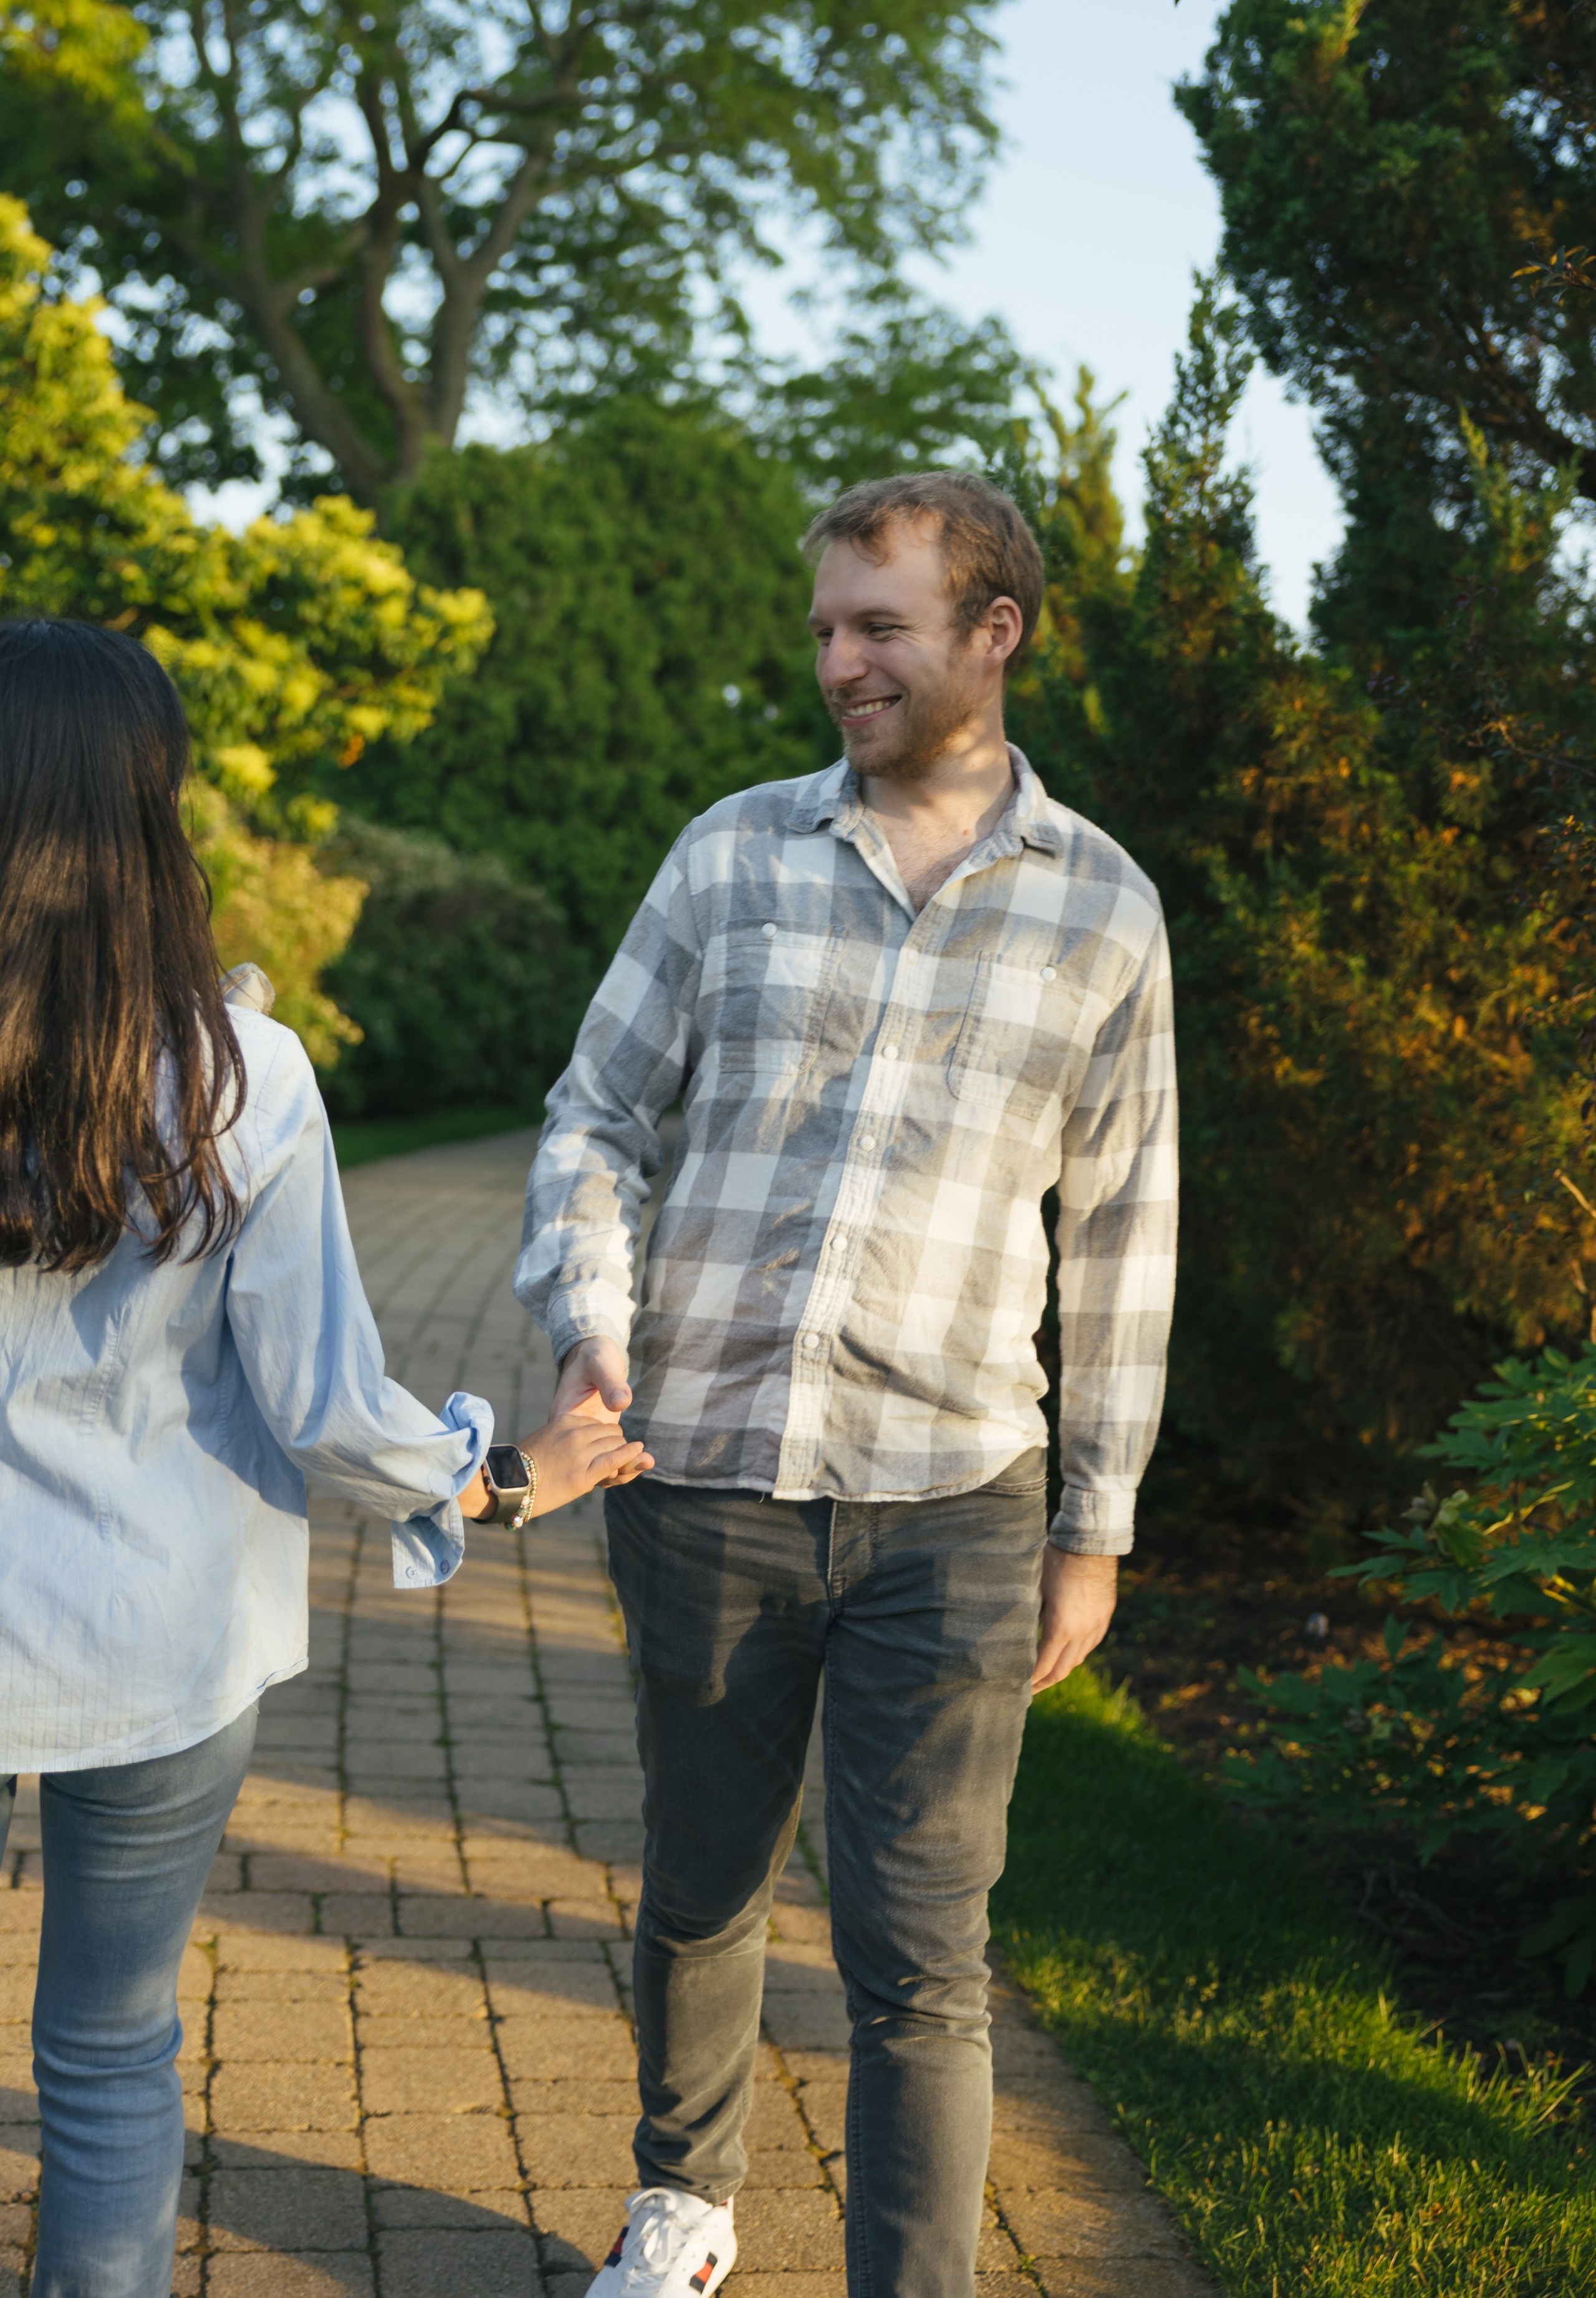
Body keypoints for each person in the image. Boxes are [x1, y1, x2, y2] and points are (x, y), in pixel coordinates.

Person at [518, 471, 1178, 2297]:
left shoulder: (1104, 911)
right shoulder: (731, 855)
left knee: (923, 1957)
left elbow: (1127, 1234)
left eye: (878, 626)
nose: (838, 664)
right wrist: (593, 1315)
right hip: (702, 1475)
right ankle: (684, 2200)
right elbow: (594, 1116)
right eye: (825, 628)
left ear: (993, 631)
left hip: (954, 1504)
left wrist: (1097, 1527)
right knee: (704, 1883)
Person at [0, 617, 651, 2298]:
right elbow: (326, 1410)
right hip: (156, 1639)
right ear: (149, 810)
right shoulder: (242, 1079)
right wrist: (506, 1475)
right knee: (108, 2054)